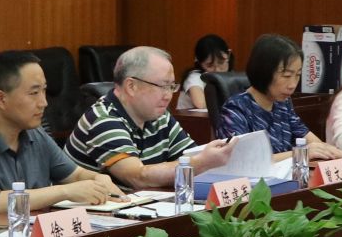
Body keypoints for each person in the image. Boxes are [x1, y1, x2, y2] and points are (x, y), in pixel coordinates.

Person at [0, 50, 121, 209]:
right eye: (34, 93)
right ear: (1, 99)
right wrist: (64, 191)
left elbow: (75, 175)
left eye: (44, 91)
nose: (44, 102)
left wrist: (97, 179)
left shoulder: (35, 133)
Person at [68, 46, 231, 189]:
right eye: (163, 86)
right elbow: (138, 178)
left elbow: (191, 156)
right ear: (131, 86)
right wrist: (201, 162)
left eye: (171, 86)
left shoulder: (160, 116)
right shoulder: (103, 119)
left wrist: (208, 158)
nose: (168, 96)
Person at [216, 33, 342, 159]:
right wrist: (301, 153)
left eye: (298, 75)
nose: (293, 85)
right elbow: (243, 161)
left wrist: (338, 154)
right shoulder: (236, 109)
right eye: (287, 76)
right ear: (264, 72)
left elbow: (312, 141)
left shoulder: (283, 103)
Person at [179, 34, 233, 112]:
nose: (217, 70)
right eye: (210, 65)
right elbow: (200, 104)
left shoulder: (231, 76)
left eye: (221, 62)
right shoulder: (194, 77)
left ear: (229, 54)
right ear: (199, 62)